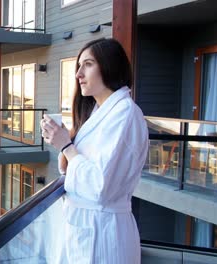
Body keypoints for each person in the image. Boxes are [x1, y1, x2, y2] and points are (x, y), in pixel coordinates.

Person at [40, 38, 149, 263]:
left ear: (109, 66)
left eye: (88, 65)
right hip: (85, 229)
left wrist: (66, 146)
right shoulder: (98, 114)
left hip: (103, 233)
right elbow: (70, 171)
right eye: (78, 66)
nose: (78, 74)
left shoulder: (125, 114)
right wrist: (63, 141)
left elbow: (101, 186)